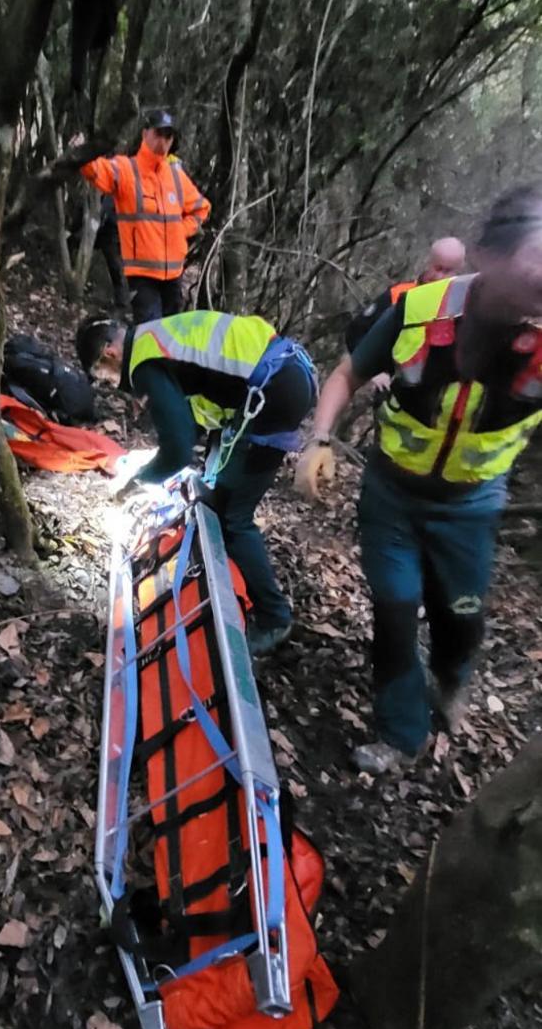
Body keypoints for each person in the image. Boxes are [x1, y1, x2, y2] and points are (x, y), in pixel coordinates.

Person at [295, 188, 542, 775]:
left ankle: (451, 681)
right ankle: (402, 733)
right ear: (488, 252)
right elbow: (348, 373)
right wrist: (319, 439)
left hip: (471, 507)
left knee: (461, 616)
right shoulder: (420, 309)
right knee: (396, 614)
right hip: (393, 499)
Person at [77, 308, 317, 655]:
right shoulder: (156, 335)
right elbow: (211, 395)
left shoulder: (143, 360)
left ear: (109, 354)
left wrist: (135, 483)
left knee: (234, 516)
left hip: (274, 390)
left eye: (103, 375)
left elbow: (177, 447)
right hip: (285, 374)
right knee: (218, 496)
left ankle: (274, 617)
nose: (110, 383)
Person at [77, 108, 211, 322]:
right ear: (145, 133)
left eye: (168, 136)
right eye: (158, 133)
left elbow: (201, 208)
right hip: (142, 277)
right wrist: (80, 150)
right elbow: (96, 170)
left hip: (174, 277)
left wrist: (181, 231)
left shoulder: (176, 177)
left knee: (173, 341)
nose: (163, 141)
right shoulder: (126, 170)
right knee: (151, 341)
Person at [345, 235, 467, 360]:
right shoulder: (398, 295)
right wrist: (370, 370)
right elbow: (356, 333)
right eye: (438, 268)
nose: (440, 277)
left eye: (448, 271)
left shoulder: (460, 310)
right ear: (428, 263)